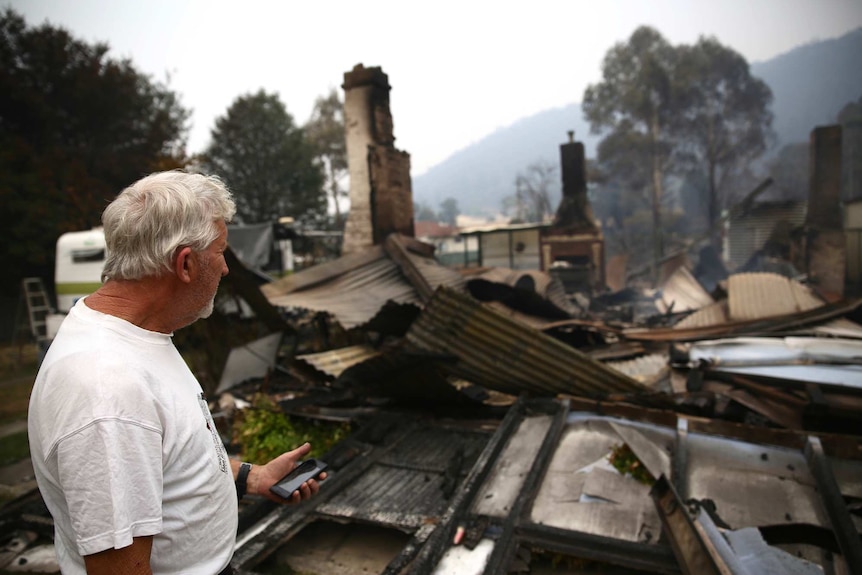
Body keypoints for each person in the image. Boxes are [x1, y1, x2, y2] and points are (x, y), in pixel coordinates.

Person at [28, 170, 325, 575]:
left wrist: (253, 478)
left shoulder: (140, 338)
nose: (225, 270)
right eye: (220, 252)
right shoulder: (108, 390)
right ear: (185, 264)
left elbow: (169, 461)